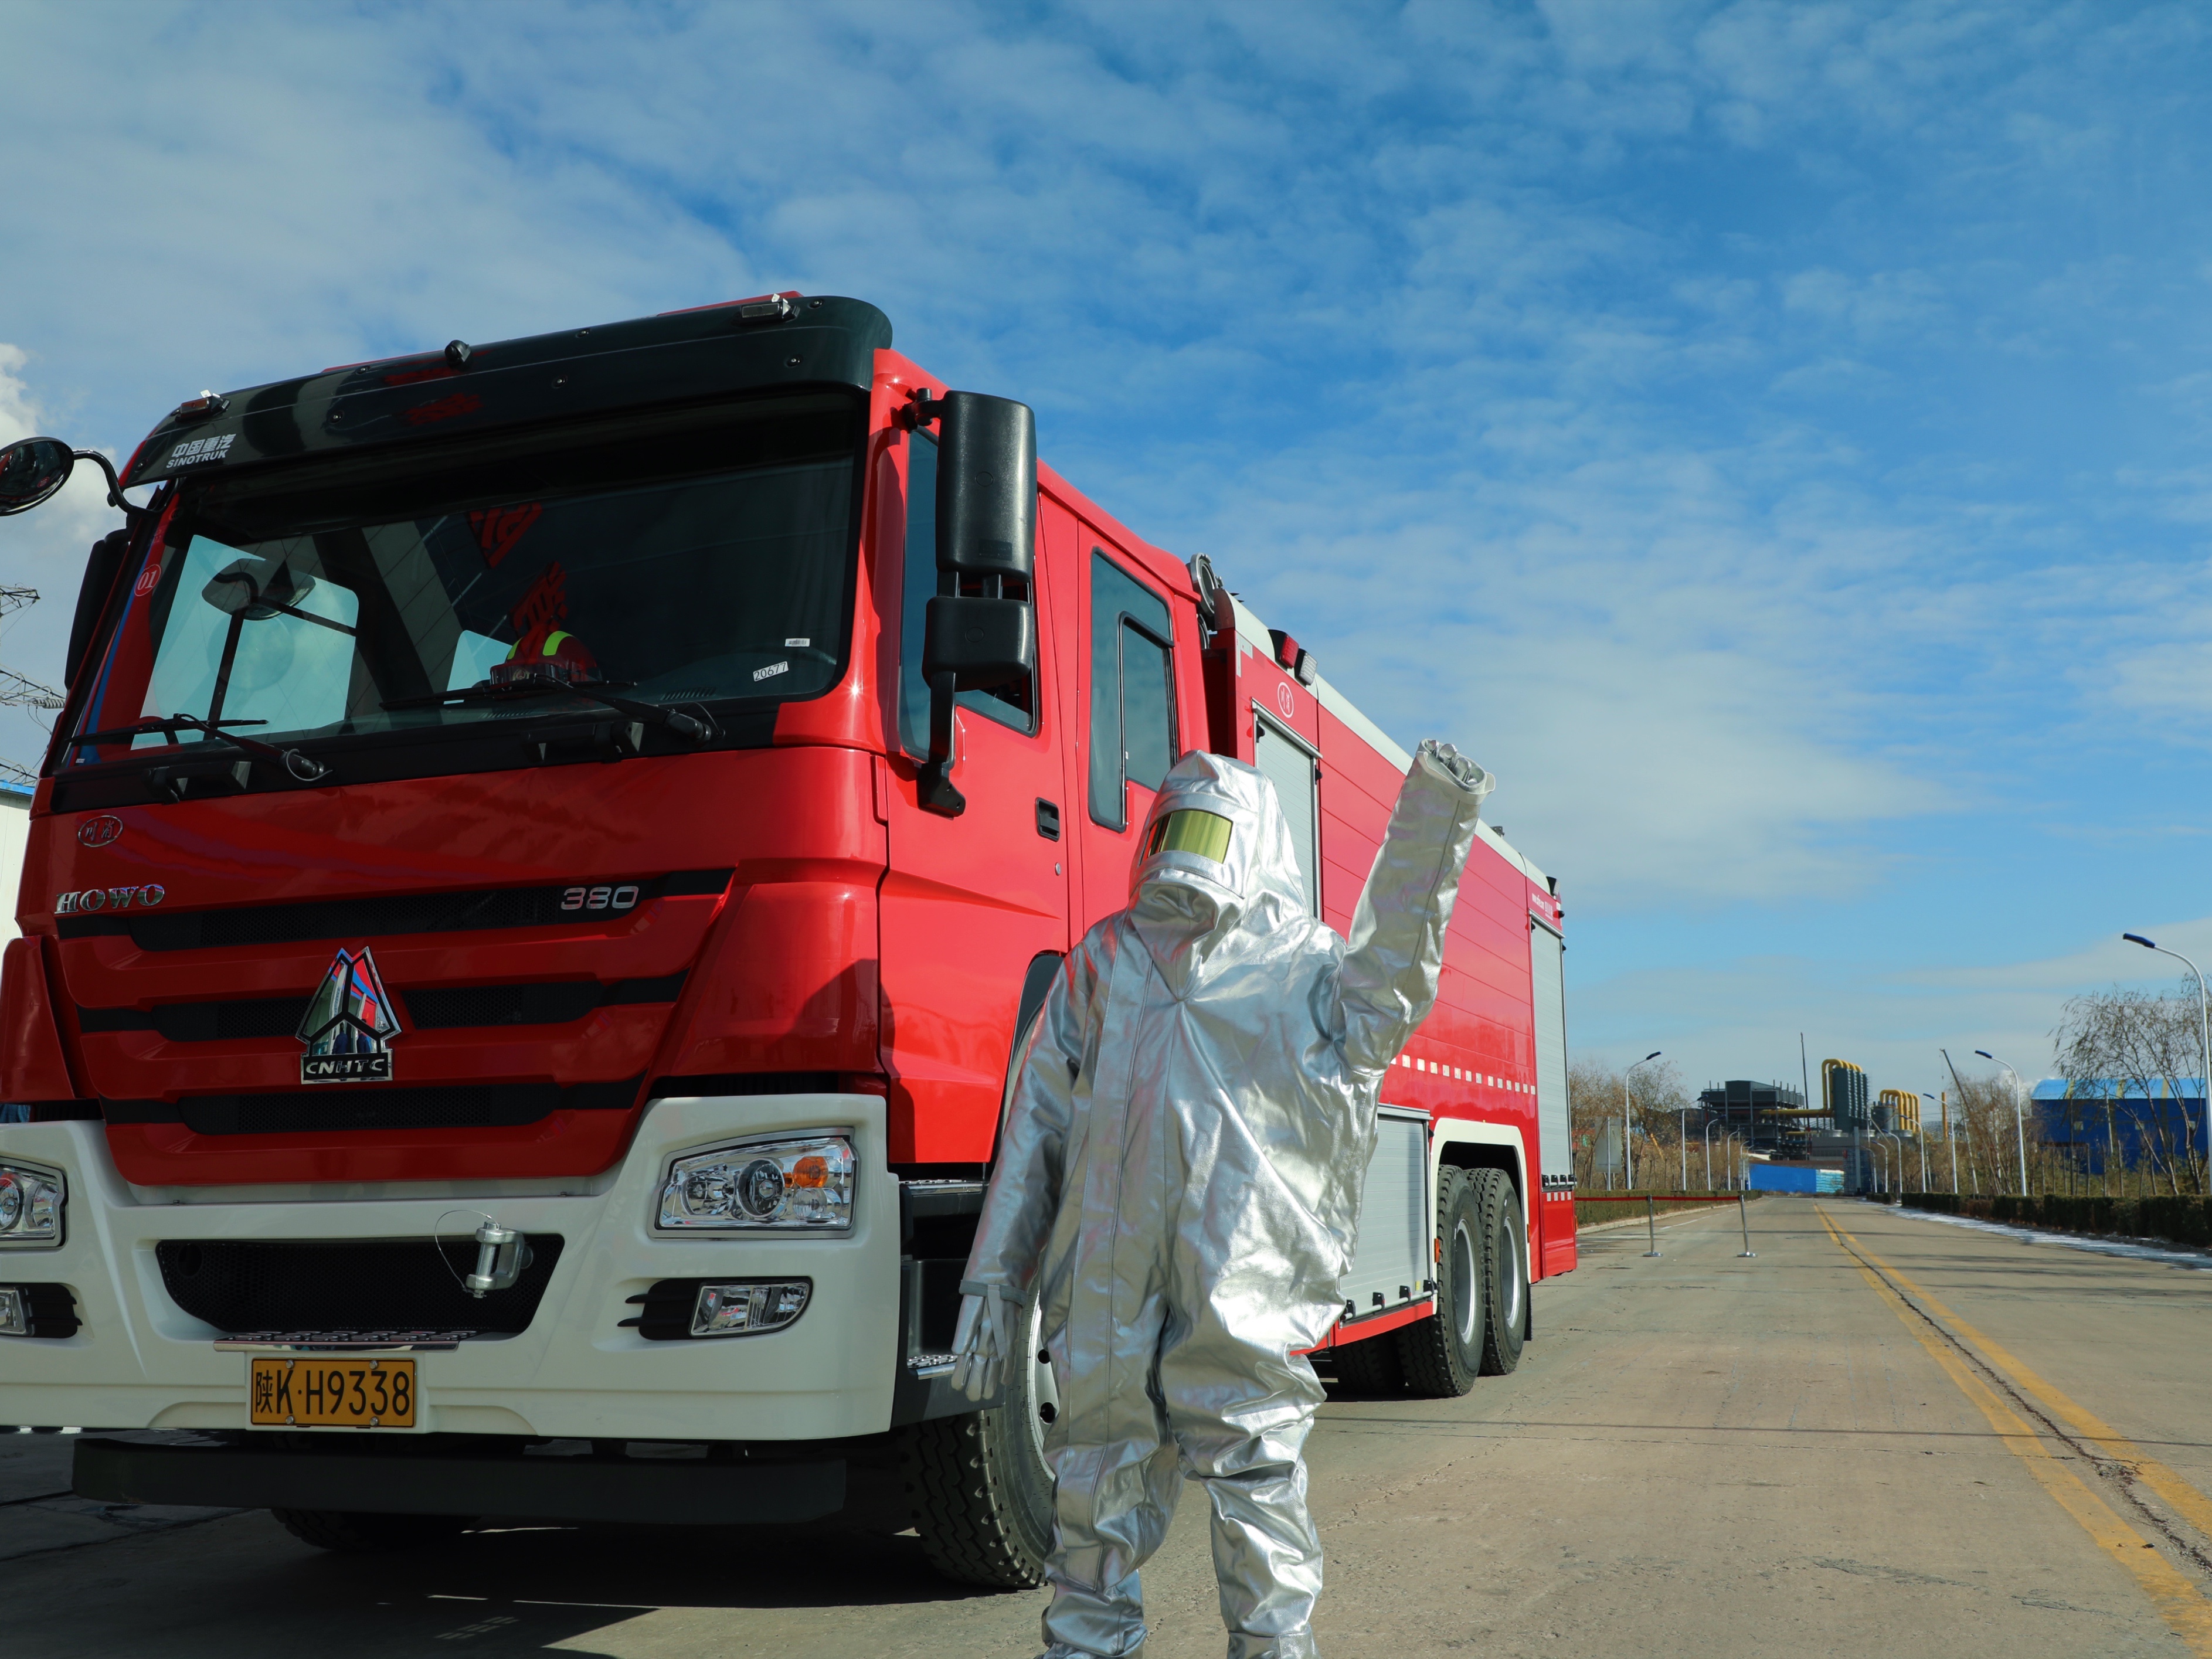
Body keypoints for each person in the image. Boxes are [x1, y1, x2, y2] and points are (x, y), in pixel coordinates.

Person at [951, 738, 1494, 1659]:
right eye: (1174, 829)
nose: (1184, 852)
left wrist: (1435, 815)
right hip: (1113, 1283)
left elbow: (1392, 983)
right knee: (1096, 1474)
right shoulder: (1106, 959)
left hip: (1234, 1279)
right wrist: (993, 1278)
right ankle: (1088, 1643)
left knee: (1253, 1473)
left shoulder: (1303, 966)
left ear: (1252, 839)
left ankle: (1269, 1644)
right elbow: (1033, 1123)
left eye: (1206, 831)